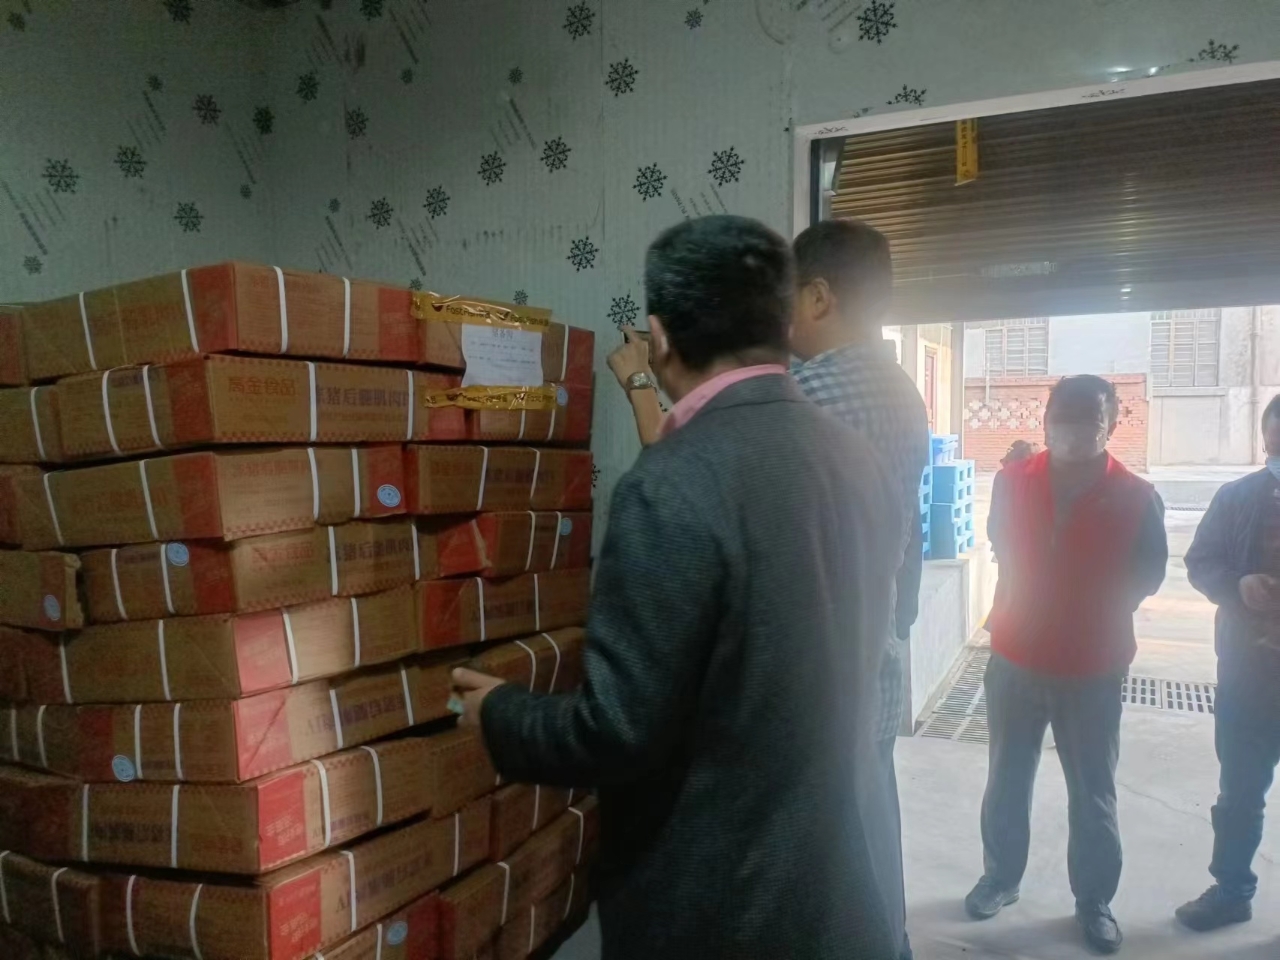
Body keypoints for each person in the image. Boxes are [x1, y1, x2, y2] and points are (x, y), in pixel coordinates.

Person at [452, 214, 907, 959]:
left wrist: (500, 715)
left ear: (659, 338)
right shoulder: (854, 457)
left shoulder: (669, 483)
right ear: (782, 322)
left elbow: (616, 733)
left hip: (722, 910)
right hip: (833, 892)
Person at [965, 374, 1168, 955]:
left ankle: (1094, 900)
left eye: (1089, 422)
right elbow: (1000, 540)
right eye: (1063, 420)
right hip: (1015, 660)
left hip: (1092, 668)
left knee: (1093, 790)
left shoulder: (1136, 495)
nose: (1074, 433)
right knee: (1007, 777)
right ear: (1046, 420)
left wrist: (1091, 608)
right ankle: (1001, 878)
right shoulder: (1012, 480)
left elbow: (1149, 573)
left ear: (1111, 425)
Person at [1175, 395, 1280, 933]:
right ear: (1265, 440)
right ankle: (1232, 890)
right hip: (1248, 677)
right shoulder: (1236, 498)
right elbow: (1200, 561)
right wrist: (1237, 585)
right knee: (1239, 794)